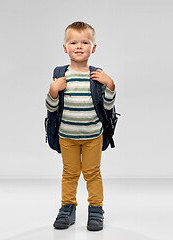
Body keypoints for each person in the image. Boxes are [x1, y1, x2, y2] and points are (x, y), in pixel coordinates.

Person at [45, 21, 116, 231]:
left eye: (84, 42)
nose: (78, 46)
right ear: (65, 48)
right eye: (73, 42)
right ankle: (67, 207)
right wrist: (53, 91)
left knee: (92, 173)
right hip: (67, 135)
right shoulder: (60, 74)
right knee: (70, 173)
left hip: (93, 135)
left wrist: (110, 85)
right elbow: (51, 108)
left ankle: (96, 209)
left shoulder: (97, 76)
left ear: (93, 48)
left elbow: (107, 106)